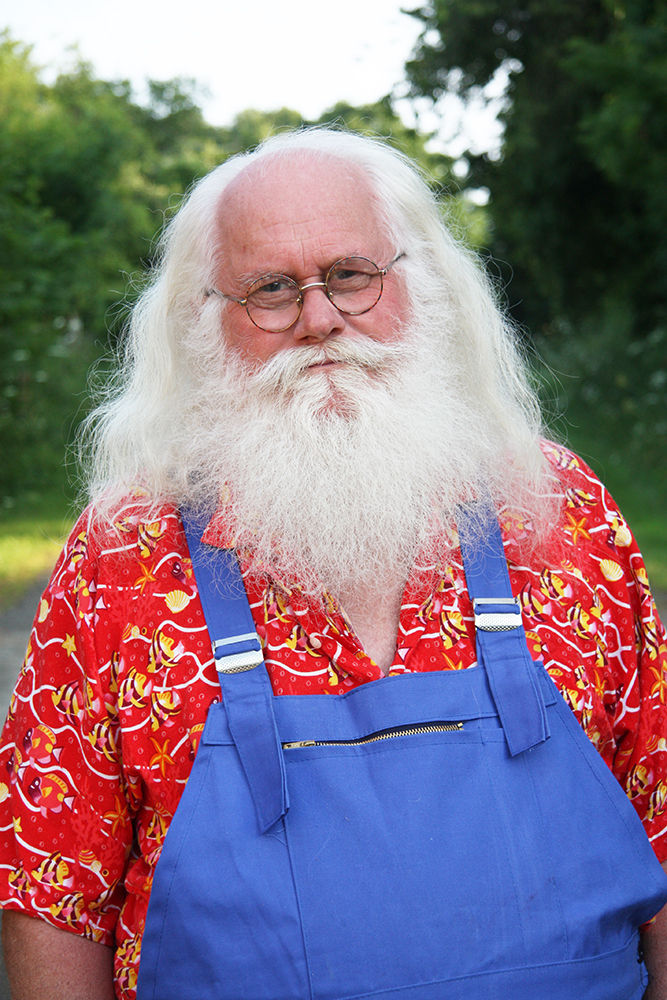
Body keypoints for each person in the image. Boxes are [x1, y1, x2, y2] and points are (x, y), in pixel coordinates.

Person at [0, 127, 666, 1000]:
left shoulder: (560, 509)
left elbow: (657, 809)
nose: (319, 320)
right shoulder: (122, 555)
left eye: (352, 275)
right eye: (270, 291)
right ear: (202, 322)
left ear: (422, 282)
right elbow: (52, 891)